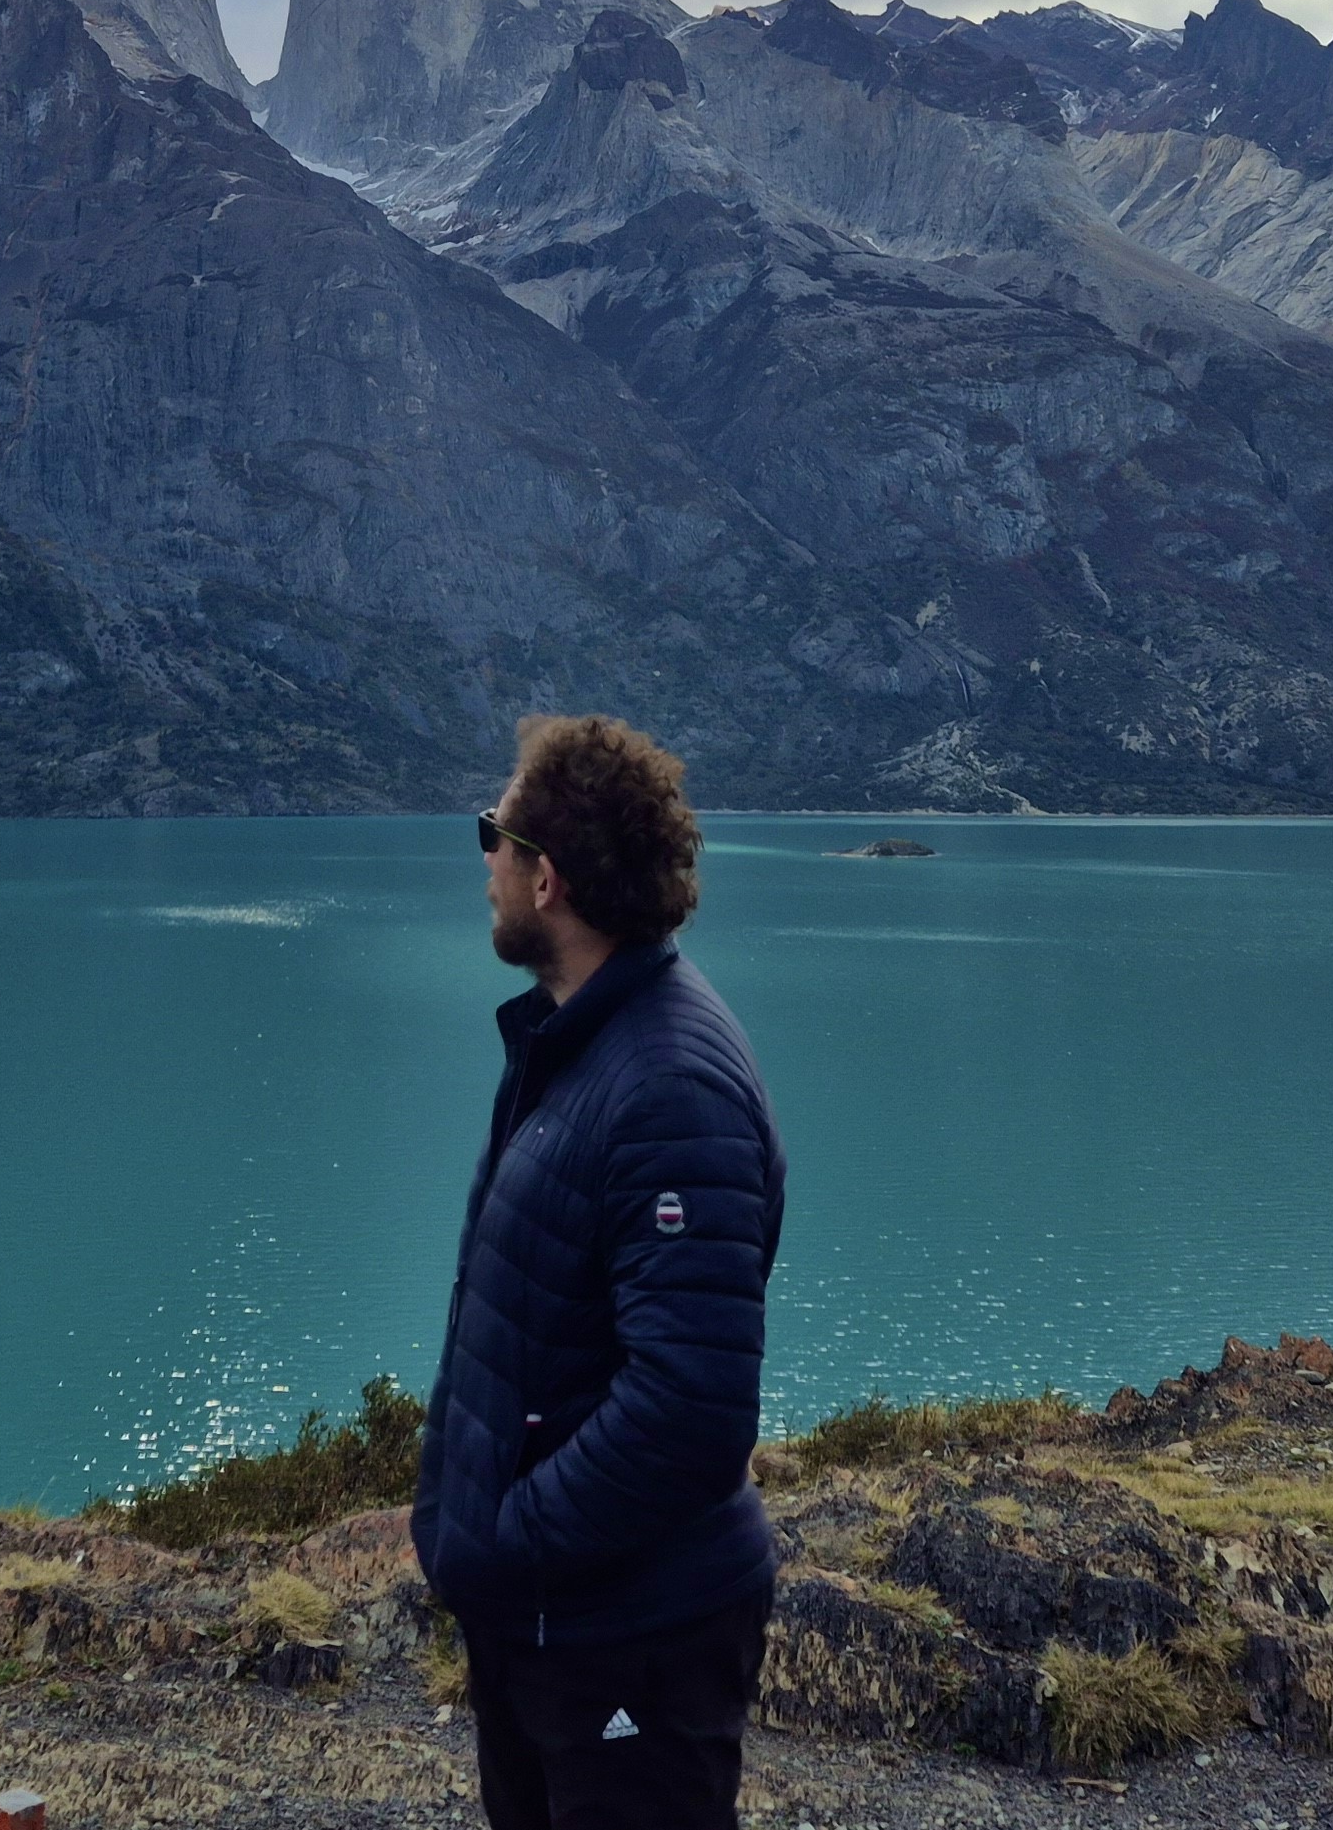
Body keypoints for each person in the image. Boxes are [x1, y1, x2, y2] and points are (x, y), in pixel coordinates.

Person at [413, 714, 787, 1830]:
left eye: (494, 834)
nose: (481, 859)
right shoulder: (579, 1041)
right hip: (555, 1619)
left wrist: (508, 1543)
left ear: (548, 877)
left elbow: (690, 1406)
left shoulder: (667, 1087)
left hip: (625, 1628)